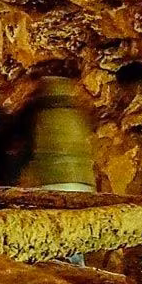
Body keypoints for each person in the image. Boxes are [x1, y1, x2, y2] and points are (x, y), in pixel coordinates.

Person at [26, 77, 96, 265]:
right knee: (76, 233)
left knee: (55, 234)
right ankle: (78, 269)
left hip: (53, 182)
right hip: (81, 183)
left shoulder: (40, 116)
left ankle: (60, 271)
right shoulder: (77, 114)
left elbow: (29, 152)